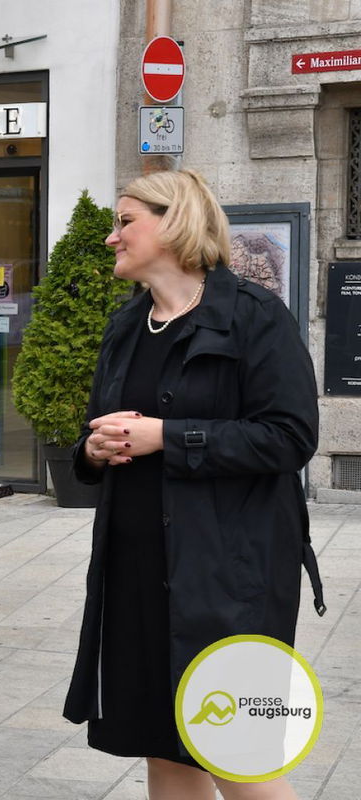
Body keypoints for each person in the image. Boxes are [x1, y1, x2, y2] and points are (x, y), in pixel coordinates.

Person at [64, 169, 323, 800]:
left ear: (173, 222)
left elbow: (290, 436)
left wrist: (169, 437)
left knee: (236, 752)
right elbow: (101, 428)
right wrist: (94, 449)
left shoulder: (253, 316)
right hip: (137, 571)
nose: (111, 237)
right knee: (165, 748)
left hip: (228, 575)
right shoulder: (127, 325)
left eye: (125, 222)